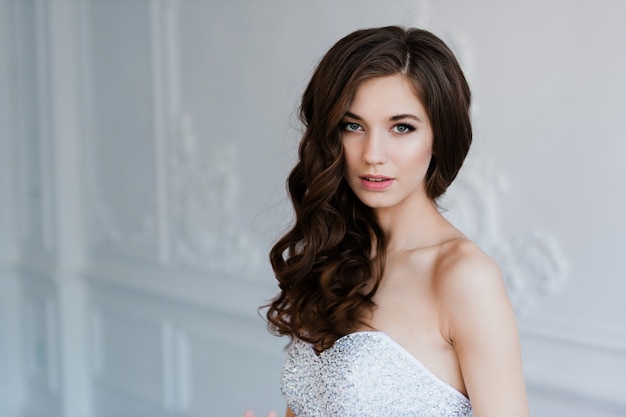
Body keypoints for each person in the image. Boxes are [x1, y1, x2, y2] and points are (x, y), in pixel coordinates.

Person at [259, 25, 529, 417]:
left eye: (401, 127)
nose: (373, 154)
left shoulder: (464, 276)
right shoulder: (333, 256)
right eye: (353, 126)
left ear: (438, 137)